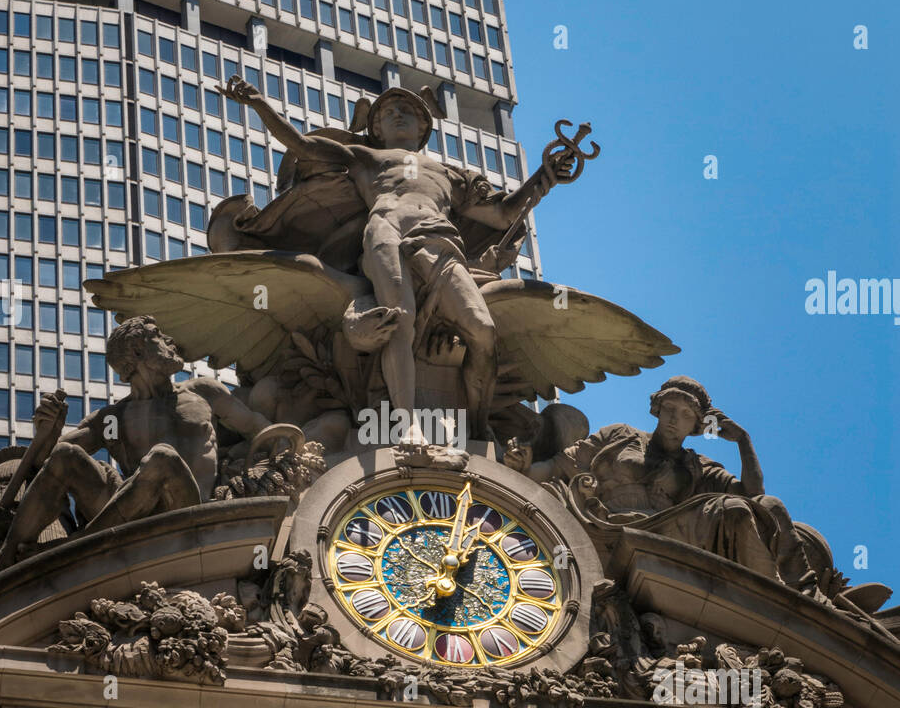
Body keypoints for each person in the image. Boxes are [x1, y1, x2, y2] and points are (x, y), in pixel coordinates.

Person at [222, 77, 571, 440]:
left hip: (439, 241)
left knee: (482, 330)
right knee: (398, 322)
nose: (398, 115)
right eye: (389, 112)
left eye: (407, 111)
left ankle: (478, 426)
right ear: (375, 127)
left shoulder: (452, 176)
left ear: (424, 127)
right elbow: (303, 145)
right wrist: (260, 104)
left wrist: (543, 178)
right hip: (386, 232)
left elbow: (502, 214)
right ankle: (409, 428)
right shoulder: (366, 157)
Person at [0, 316, 270, 579]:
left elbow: (261, 430)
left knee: (162, 458)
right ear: (140, 352)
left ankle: (72, 547)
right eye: (159, 335)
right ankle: (2, 563)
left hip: (186, 514)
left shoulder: (202, 392)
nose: (171, 341)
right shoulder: (112, 418)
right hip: (130, 518)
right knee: (65, 455)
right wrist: (50, 432)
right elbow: (46, 460)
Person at [508, 375, 823, 593]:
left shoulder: (696, 467)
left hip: (667, 534)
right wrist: (524, 468)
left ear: (698, 426)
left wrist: (742, 440)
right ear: (657, 409)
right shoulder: (619, 436)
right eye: (670, 409)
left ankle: (787, 594)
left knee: (749, 509)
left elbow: (755, 496)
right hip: (604, 522)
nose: (675, 419)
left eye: (686, 415)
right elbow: (561, 466)